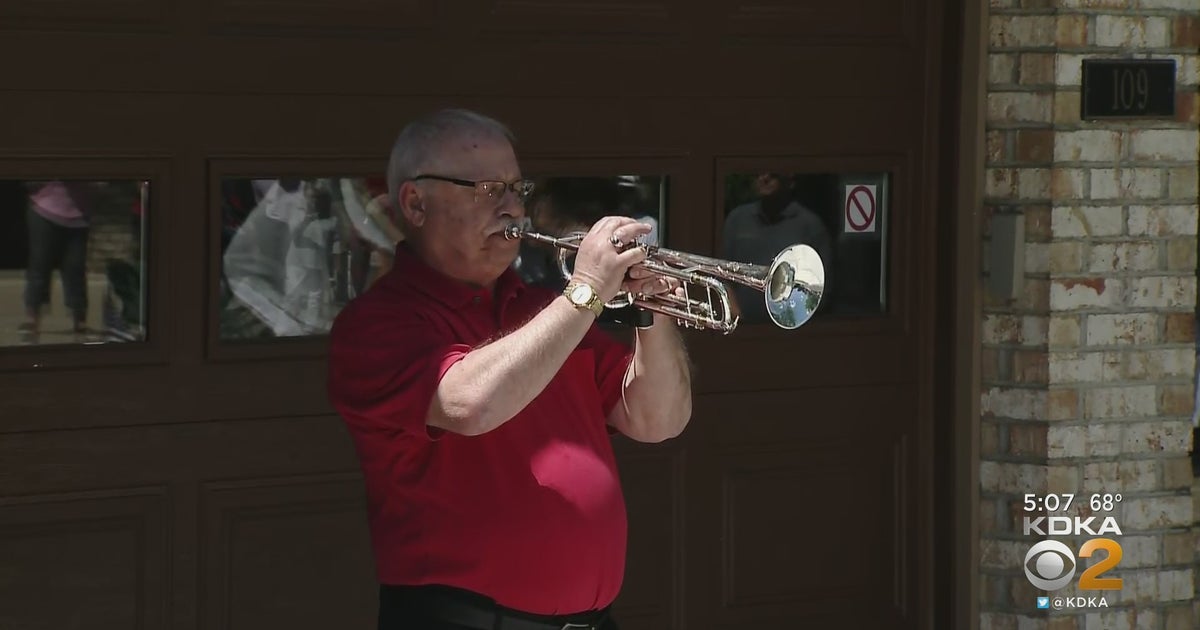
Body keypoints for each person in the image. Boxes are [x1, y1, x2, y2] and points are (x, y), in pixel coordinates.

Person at [326, 109, 693, 630]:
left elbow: (659, 420)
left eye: (518, 188)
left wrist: (653, 311)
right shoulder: (376, 324)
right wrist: (587, 291)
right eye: (487, 189)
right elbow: (469, 404)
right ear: (415, 203)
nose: (512, 207)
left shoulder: (546, 309)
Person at [722, 172, 834, 324]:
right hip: (742, 328)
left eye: (773, 173)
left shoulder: (810, 225)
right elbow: (723, 274)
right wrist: (734, 313)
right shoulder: (737, 219)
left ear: (790, 180)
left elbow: (822, 287)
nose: (764, 178)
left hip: (793, 330)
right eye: (759, 172)